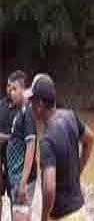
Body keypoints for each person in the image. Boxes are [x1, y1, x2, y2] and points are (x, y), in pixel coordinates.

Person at [28, 74, 94, 221]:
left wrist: (44, 218)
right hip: (80, 210)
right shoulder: (70, 116)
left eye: (31, 101)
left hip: (62, 216)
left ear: (39, 104)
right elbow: (90, 139)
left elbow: (49, 189)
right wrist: (78, 170)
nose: (30, 105)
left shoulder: (47, 141)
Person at [6, 71, 37, 221]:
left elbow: (31, 146)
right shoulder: (19, 112)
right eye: (10, 89)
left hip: (22, 180)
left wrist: (23, 183)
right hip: (16, 178)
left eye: (15, 89)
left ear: (24, 90)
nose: (11, 93)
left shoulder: (28, 113)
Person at [0, 77, 19, 220]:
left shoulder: (23, 110)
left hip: (16, 163)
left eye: (13, 87)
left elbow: (24, 139)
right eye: (8, 86)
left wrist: (5, 138)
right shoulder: (0, 106)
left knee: (16, 201)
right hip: (0, 161)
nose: (9, 90)